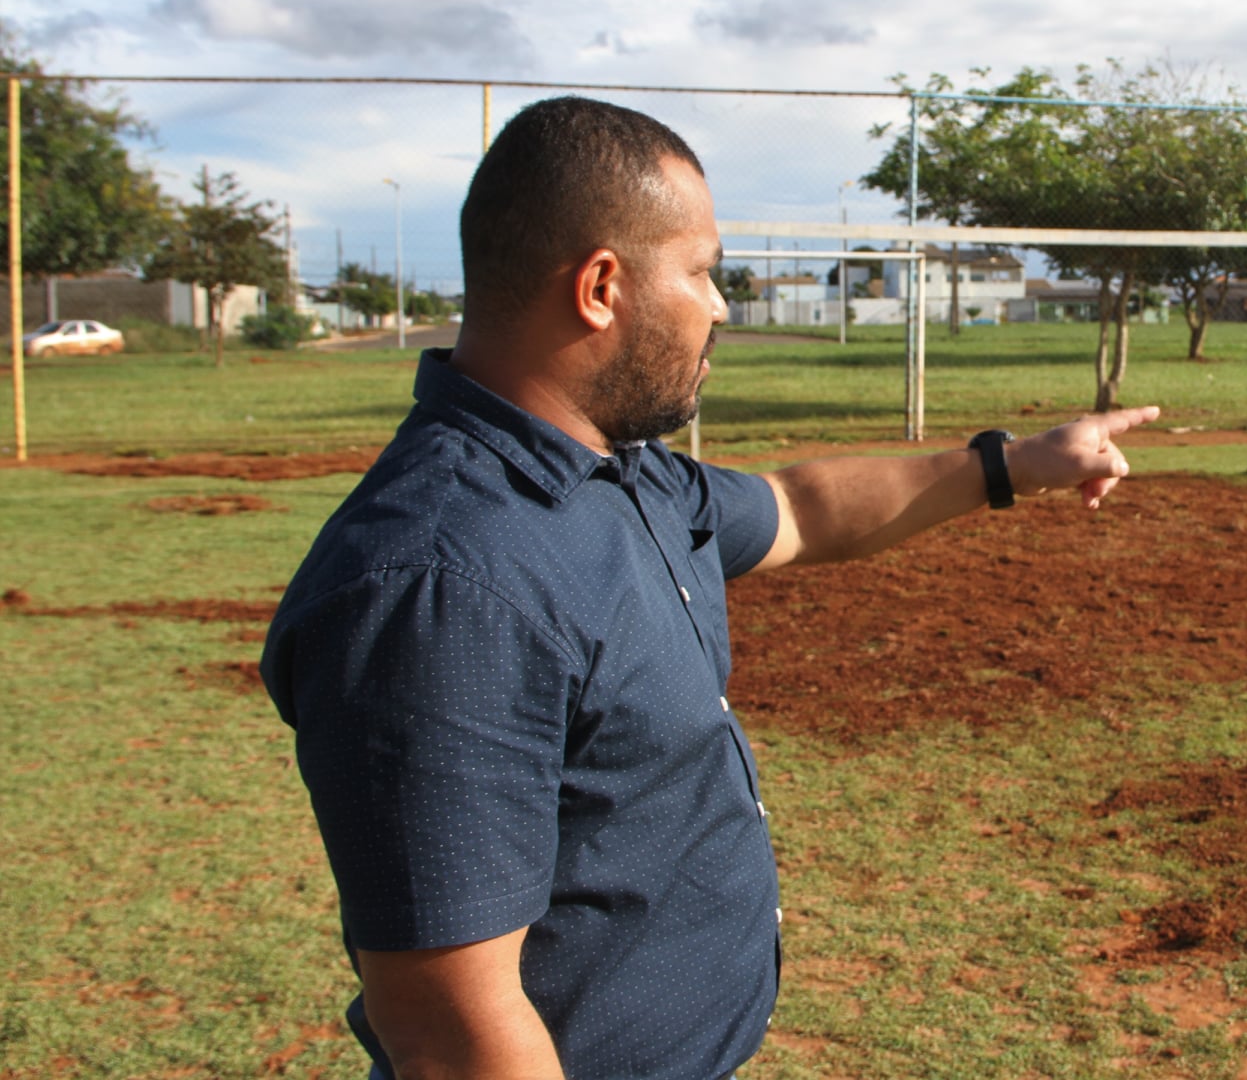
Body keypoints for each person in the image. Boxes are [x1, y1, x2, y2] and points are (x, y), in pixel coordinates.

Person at [261, 95, 1159, 1080]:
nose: (722, 305)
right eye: (701, 271)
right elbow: (447, 1033)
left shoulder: (617, 474)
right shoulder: (443, 588)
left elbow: (802, 507)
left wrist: (1017, 463)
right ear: (602, 286)